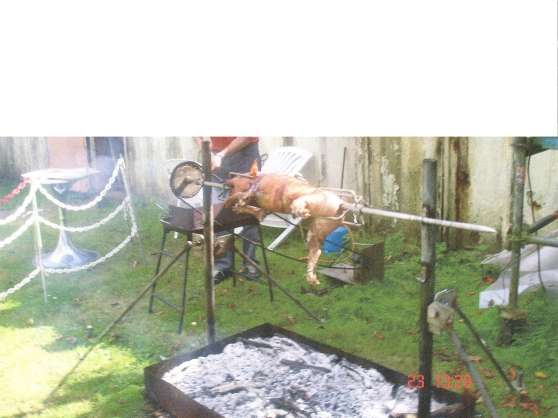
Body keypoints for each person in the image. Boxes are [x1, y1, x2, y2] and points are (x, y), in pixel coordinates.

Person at [195, 137, 262, 284]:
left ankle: (250, 263)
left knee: (248, 212)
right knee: (218, 211)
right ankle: (224, 266)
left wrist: (221, 155)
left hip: (245, 154)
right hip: (216, 155)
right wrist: (207, 152)